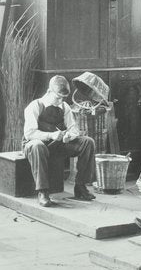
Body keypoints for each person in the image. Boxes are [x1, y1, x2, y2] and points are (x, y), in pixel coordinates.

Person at [23, 75, 97, 206]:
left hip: (57, 145)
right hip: (35, 145)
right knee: (37, 146)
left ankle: (80, 187)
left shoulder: (64, 107)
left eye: (63, 98)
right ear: (49, 91)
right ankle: (43, 192)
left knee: (87, 142)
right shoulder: (35, 106)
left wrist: (70, 136)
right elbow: (29, 134)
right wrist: (51, 135)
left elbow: (74, 129)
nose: (60, 101)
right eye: (58, 97)